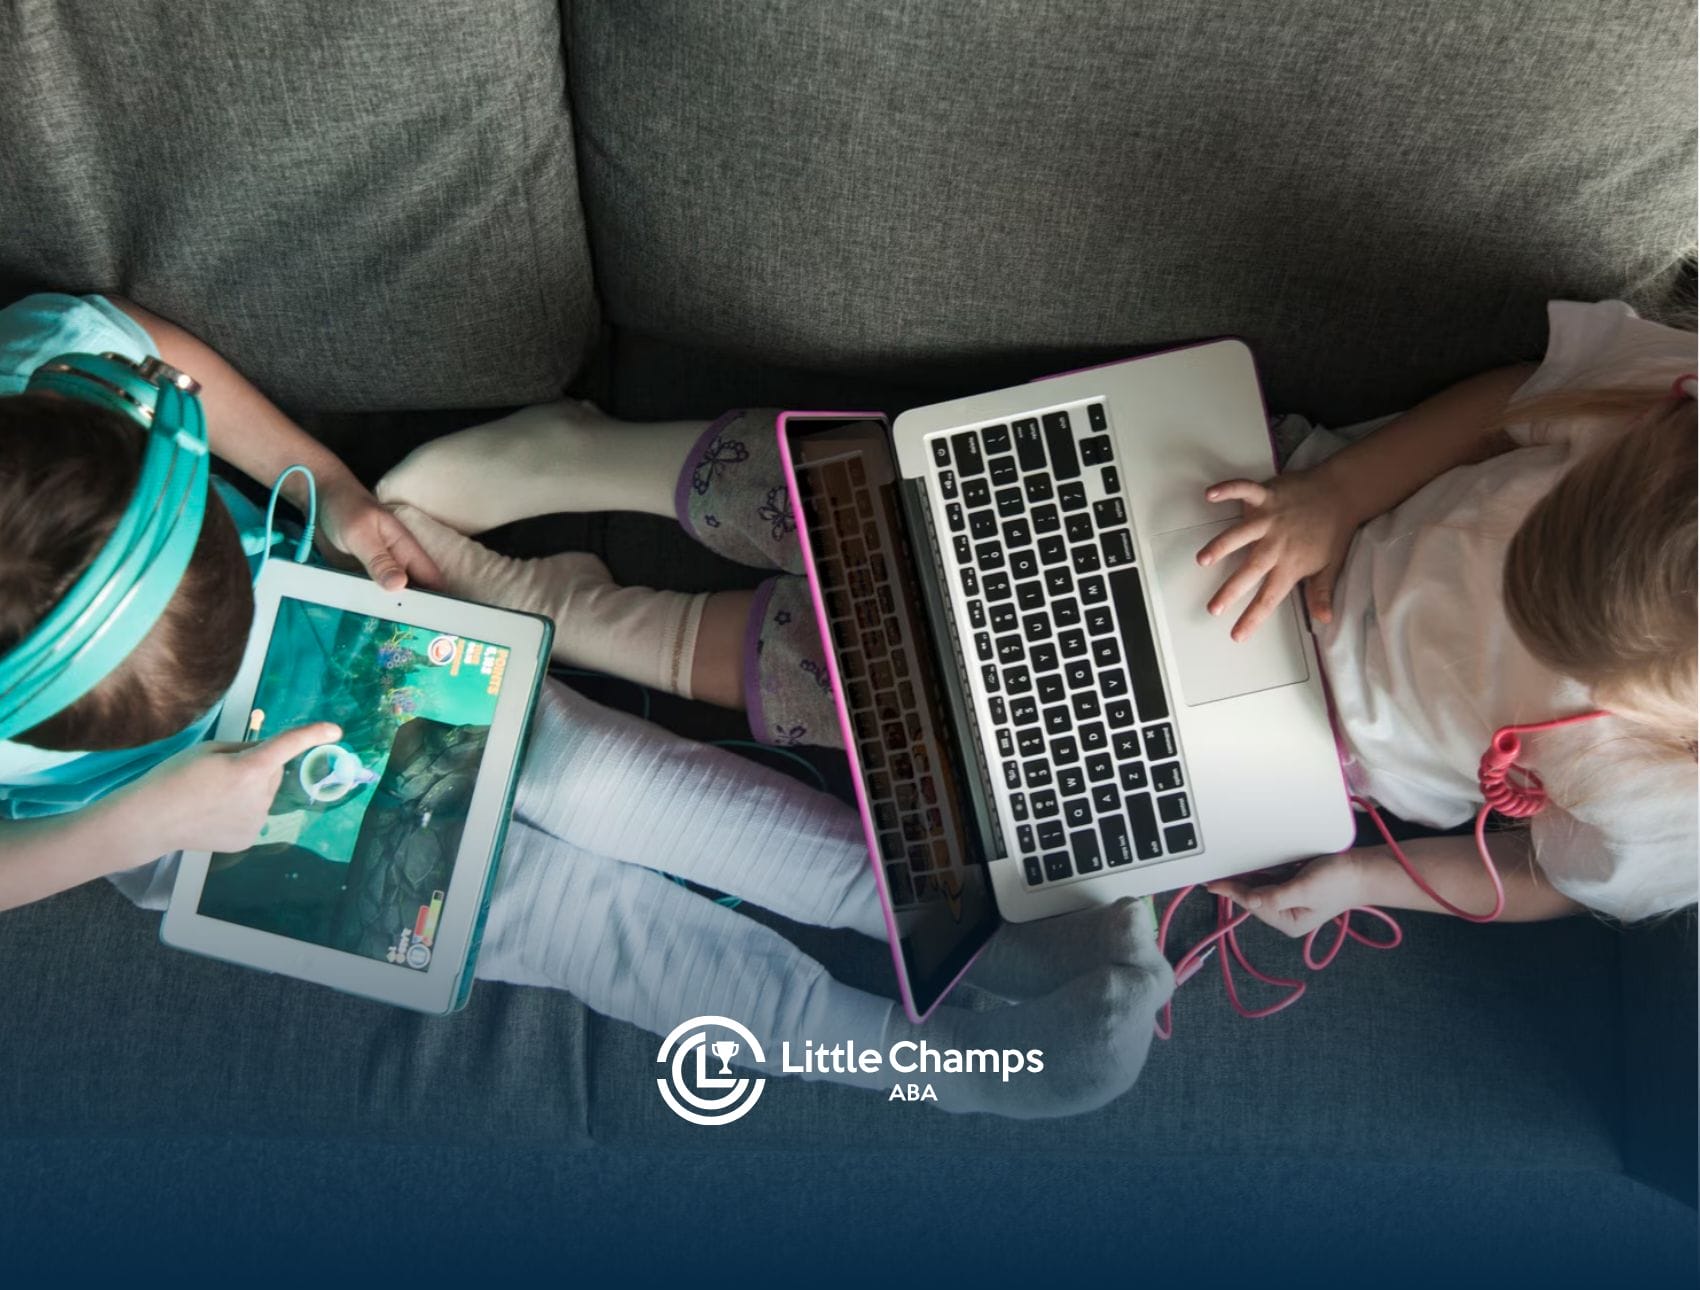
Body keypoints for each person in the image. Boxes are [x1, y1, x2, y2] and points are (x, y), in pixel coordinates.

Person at [0, 293, 1174, 1119]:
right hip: (173, 820)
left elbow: (143, 336)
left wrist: (345, 497)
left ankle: (974, 900)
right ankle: (941, 1071)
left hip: (324, 623)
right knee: (584, 928)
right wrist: (157, 819)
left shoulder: (47, 376)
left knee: (595, 772)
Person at [376, 300, 1697, 937]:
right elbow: (1511, 395)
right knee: (903, 501)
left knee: (873, 697)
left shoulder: (1674, 824)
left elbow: (1542, 880)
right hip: (1274, 516)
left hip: (1298, 750)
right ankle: (593, 459)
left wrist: (1352, 873)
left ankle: (554, 606)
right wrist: (1340, 494)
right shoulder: (1657, 401)